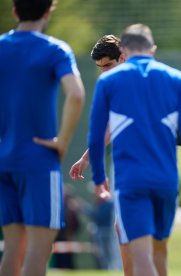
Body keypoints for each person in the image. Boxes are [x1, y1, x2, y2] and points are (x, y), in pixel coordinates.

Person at [88, 23, 181, 276]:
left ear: (125, 51)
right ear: (152, 49)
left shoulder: (108, 81)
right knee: (159, 255)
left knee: (141, 258)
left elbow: (96, 135)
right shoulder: (176, 80)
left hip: (131, 181)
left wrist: (99, 178)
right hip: (166, 182)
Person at [0, 0, 85, 275]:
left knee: (12, 248)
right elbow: (76, 94)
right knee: (39, 249)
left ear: (14, 11)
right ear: (49, 11)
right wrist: (62, 141)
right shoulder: (55, 49)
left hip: (3, 159)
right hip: (38, 160)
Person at [69, 34, 133, 274]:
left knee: (134, 231)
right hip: (124, 164)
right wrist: (86, 159)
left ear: (123, 57)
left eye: (108, 65)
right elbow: (108, 130)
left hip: (144, 163)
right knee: (124, 229)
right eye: (100, 68)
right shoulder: (111, 86)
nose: (104, 72)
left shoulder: (140, 83)